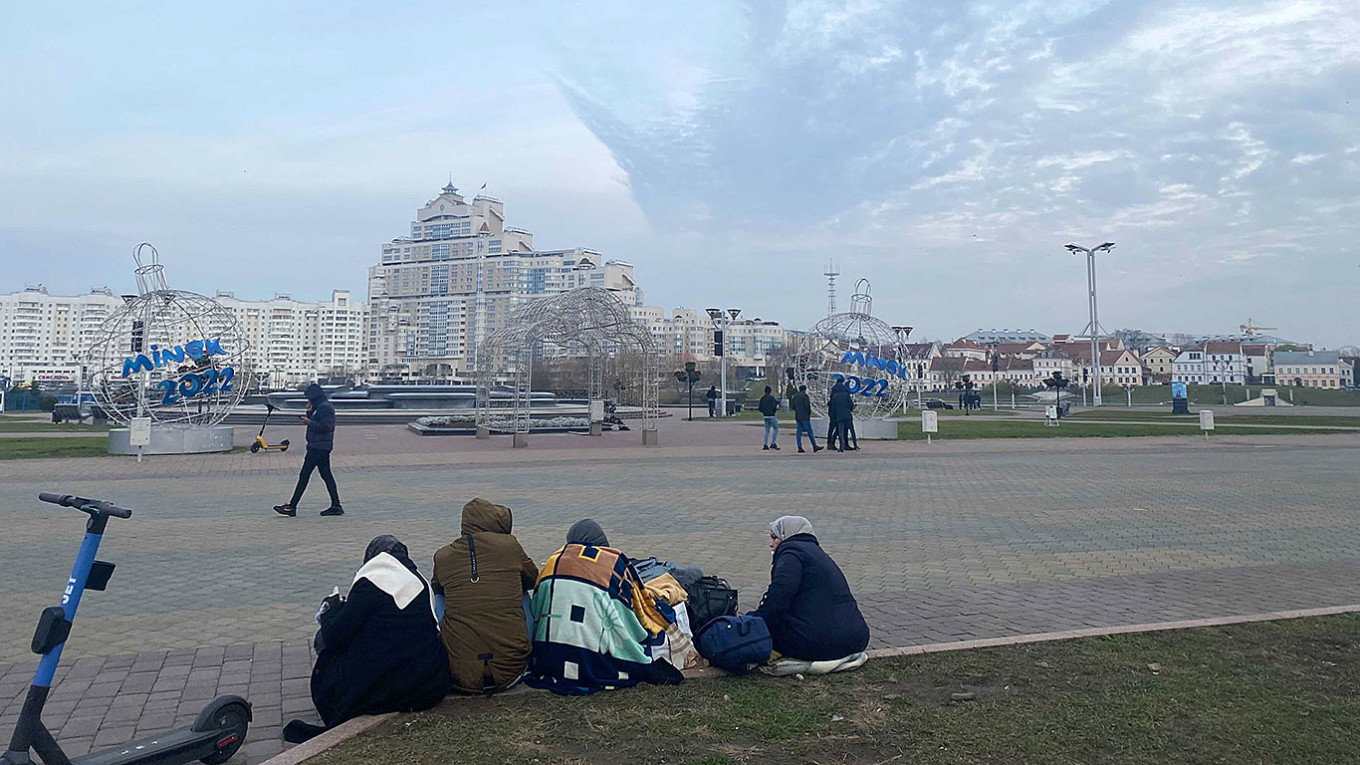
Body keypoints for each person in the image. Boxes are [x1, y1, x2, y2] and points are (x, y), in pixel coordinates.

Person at [283, 535, 451, 743]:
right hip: (428, 686)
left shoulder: (372, 581)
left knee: (327, 647)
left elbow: (334, 635)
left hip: (392, 686)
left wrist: (329, 610)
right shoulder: (418, 580)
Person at [527, 520, 680, 695]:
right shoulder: (612, 561)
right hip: (597, 662)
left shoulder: (554, 561)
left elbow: (537, 609)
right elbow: (634, 612)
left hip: (549, 661)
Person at [432, 498, 541, 695]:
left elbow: (437, 588)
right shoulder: (511, 546)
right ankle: (528, 649)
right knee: (521, 590)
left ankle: (456, 648)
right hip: (512, 670)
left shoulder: (443, 556)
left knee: (441, 595)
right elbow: (534, 580)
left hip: (459, 675)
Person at [753, 516, 870, 664]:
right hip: (856, 639)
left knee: (767, 634)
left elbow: (778, 597)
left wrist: (754, 623)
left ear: (786, 535)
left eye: (774, 537)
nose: (771, 544)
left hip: (820, 643)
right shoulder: (817, 554)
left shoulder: (791, 554)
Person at [274, 383, 343, 517]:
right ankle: (336, 505)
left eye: (309, 398)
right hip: (319, 446)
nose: (308, 400)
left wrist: (309, 422)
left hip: (318, 447)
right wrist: (309, 412)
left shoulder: (325, 407)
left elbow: (327, 427)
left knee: (304, 476)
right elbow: (317, 420)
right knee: (326, 476)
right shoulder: (321, 406)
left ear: (314, 397)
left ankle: (292, 506)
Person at [790, 384, 822, 454]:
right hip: (804, 416)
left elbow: (792, 406)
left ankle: (799, 446)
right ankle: (814, 445)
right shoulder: (805, 396)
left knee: (799, 432)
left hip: (798, 416)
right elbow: (807, 406)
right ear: (804, 389)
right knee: (809, 431)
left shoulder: (795, 396)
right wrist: (808, 413)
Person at [826, 380, 852, 452]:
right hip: (844, 412)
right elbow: (850, 403)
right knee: (842, 429)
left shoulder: (834, 391)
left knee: (832, 428)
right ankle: (845, 444)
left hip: (834, 412)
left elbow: (831, 402)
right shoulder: (845, 391)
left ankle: (830, 443)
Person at [758, 385, 780, 451]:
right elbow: (775, 405)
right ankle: (773, 443)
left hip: (765, 416)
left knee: (767, 430)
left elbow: (760, 408)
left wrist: (764, 412)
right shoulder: (772, 398)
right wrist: (773, 411)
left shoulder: (762, 398)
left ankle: (765, 444)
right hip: (771, 415)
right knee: (776, 428)